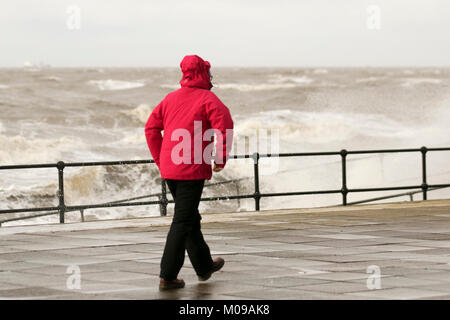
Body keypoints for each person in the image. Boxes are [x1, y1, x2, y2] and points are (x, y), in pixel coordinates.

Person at [145, 55, 234, 290]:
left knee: (190, 217)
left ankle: (204, 266)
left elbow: (151, 128)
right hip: (191, 169)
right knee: (183, 220)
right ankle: (168, 275)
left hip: (170, 169)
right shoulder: (208, 99)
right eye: (209, 74)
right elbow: (225, 126)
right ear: (204, 74)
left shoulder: (170, 99)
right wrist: (220, 158)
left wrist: (160, 159)